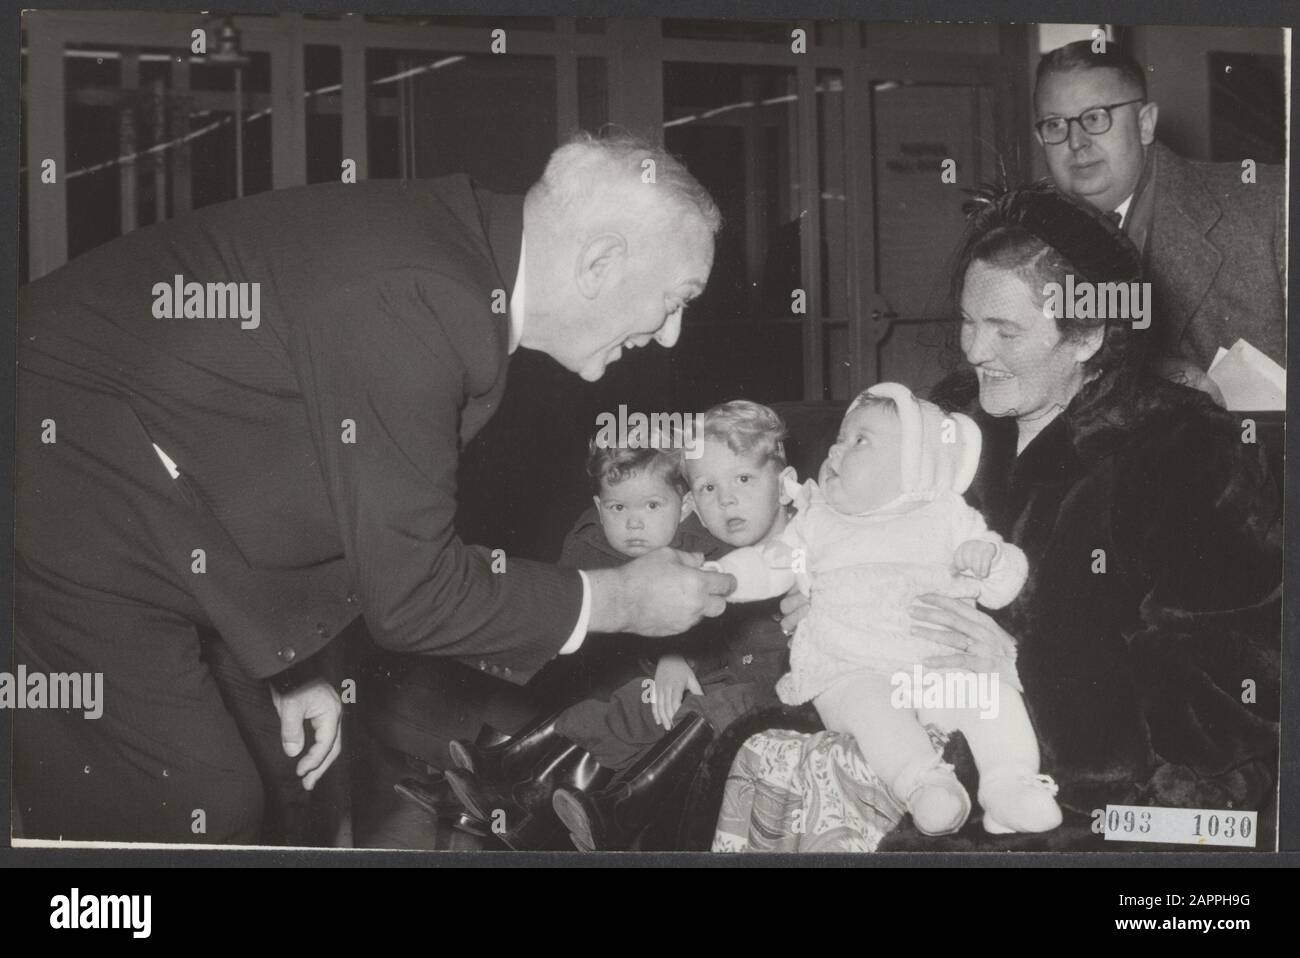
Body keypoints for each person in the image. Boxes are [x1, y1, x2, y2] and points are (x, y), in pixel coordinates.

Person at [14, 131, 738, 844]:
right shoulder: (426, 300)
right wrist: (622, 598)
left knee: (233, 782)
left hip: (112, 478)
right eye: (676, 299)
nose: (672, 335)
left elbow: (253, 455)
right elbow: (414, 594)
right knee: (188, 803)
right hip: (59, 474)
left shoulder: (451, 253)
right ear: (601, 262)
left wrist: (291, 663)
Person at [698, 185, 1281, 851]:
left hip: (1117, 806)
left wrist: (1025, 664)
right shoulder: (944, 434)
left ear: (1088, 332)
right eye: (968, 322)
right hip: (923, 759)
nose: (975, 350)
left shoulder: (1184, 451)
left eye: (1005, 330)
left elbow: (1238, 691)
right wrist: (821, 596)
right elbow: (842, 537)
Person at [710, 383, 1061, 837]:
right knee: (871, 712)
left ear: (915, 468)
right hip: (852, 667)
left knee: (991, 696)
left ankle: (1009, 784)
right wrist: (725, 577)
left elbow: (1005, 584)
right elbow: (771, 564)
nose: (837, 448)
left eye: (860, 441)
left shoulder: (947, 515)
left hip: (939, 666)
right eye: (840, 437)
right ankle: (925, 785)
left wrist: (988, 559)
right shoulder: (816, 521)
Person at [449, 401, 798, 850]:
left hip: (776, 688)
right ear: (693, 500)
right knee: (640, 695)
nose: (725, 498)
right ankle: (529, 789)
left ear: (785, 482)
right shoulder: (716, 548)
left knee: (698, 704)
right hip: (715, 673)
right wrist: (673, 656)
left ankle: (608, 807)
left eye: (743, 479)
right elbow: (696, 609)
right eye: (708, 486)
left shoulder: (814, 535)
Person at [1033, 40, 1286, 373]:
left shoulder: (1272, 202)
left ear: (1144, 124)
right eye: (1055, 125)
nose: (1076, 142)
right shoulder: (1027, 237)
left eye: (1095, 118)